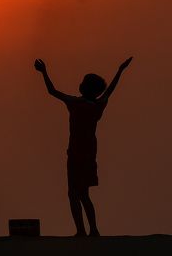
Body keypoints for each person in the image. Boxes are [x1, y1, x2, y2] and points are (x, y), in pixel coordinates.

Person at [34, 57, 133, 236]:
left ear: (87, 88)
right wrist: (120, 71)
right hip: (87, 153)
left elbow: (52, 91)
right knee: (83, 194)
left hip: (77, 153)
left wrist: (44, 72)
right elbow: (110, 90)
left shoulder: (75, 103)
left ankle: (82, 230)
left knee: (74, 193)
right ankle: (92, 229)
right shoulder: (98, 104)